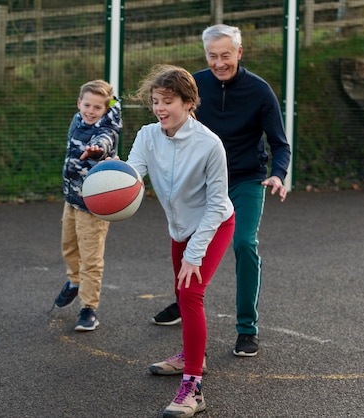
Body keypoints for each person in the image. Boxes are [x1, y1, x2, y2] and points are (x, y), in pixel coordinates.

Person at [151, 24, 291, 359]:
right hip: (202, 180)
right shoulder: (194, 86)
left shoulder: (259, 91)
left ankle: (247, 329)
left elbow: (279, 143)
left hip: (245, 180)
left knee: (244, 243)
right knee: (184, 238)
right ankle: (184, 301)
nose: (219, 62)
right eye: (212, 56)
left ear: (239, 53)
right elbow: (169, 123)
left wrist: (279, 174)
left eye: (225, 55)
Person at [124, 64, 235, 418]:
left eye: (167, 101)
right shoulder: (147, 135)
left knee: (190, 293)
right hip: (179, 228)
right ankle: (192, 355)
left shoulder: (209, 145)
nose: (159, 108)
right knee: (181, 293)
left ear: (189, 103)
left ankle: (193, 389)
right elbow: (132, 177)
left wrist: (194, 254)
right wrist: (107, 172)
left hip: (214, 225)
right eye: (155, 101)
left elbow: (217, 205)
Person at [51, 80, 122, 332]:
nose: (91, 111)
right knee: (69, 246)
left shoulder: (106, 131)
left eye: (97, 107)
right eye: (87, 105)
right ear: (79, 103)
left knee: (91, 257)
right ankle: (73, 282)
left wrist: (96, 150)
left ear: (105, 109)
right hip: (71, 200)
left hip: (93, 205)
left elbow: (104, 142)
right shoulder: (77, 120)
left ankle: (89, 309)